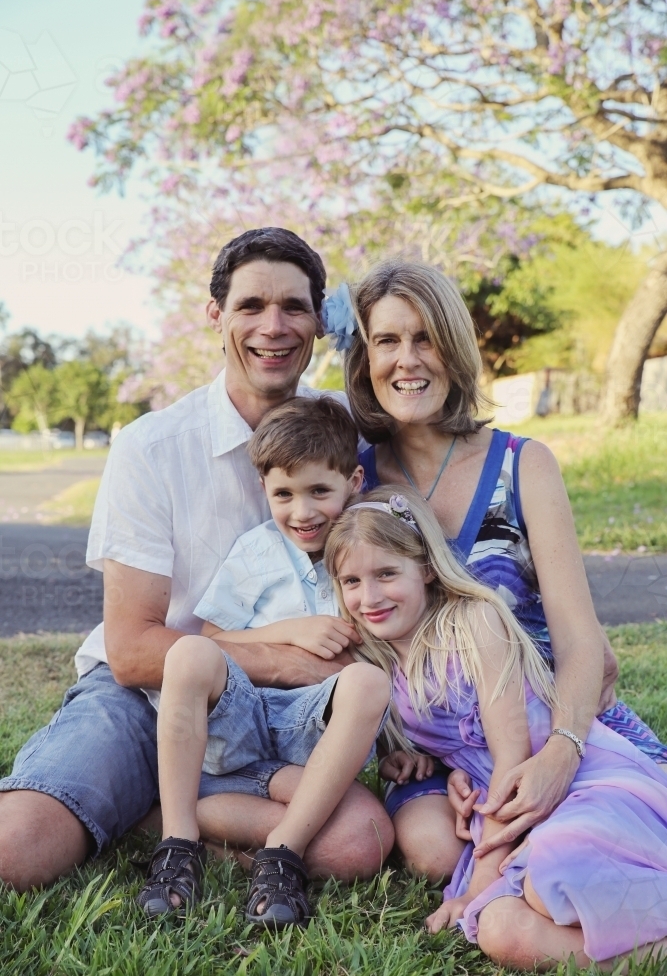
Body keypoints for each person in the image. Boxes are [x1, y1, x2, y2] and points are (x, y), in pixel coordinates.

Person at [0, 228, 394, 890]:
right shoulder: (152, 447)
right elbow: (130, 649)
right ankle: (146, 788)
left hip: (287, 720)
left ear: (319, 321)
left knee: (355, 845)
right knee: (18, 848)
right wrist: (282, 659)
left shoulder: (346, 431)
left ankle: (160, 812)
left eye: (295, 307)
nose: (274, 326)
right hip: (149, 697)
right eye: (250, 306)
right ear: (215, 315)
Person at [341, 259, 667, 881]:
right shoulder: (353, 483)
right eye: (387, 341)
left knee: (625, 828)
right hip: (438, 746)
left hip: (549, 721)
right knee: (436, 853)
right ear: (364, 361)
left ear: (456, 350)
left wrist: (560, 757)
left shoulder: (524, 465)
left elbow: (579, 640)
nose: (407, 359)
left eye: (426, 337)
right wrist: (411, 753)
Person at [324, 485, 667, 970]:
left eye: (386, 573)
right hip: (504, 804)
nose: (370, 596)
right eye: (351, 581)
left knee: (549, 884)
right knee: (500, 930)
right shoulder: (378, 660)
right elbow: (454, 744)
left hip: (568, 781)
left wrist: (478, 886)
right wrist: (439, 763)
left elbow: (511, 757)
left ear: (424, 567)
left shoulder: (474, 623)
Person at [137, 394, 378, 920]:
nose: (303, 511)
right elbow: (216, 636)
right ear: (264, 490)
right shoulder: (256, 551)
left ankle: (280, 853)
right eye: (284, 494)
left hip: (310, 734)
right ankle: (178, 842)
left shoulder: (368, 554)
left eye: (320, 490)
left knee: (368, 683)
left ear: (354, 483)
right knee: (191, 654)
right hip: (247, 717)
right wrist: (291, 631)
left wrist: (407, 741)